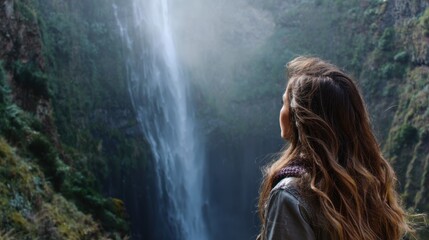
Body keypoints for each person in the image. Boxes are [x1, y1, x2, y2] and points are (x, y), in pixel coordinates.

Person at [257, 56, 414, 240]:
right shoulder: (366, 186)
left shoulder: (290, 195)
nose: (281, 111)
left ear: (298, 117)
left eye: (284, 103)